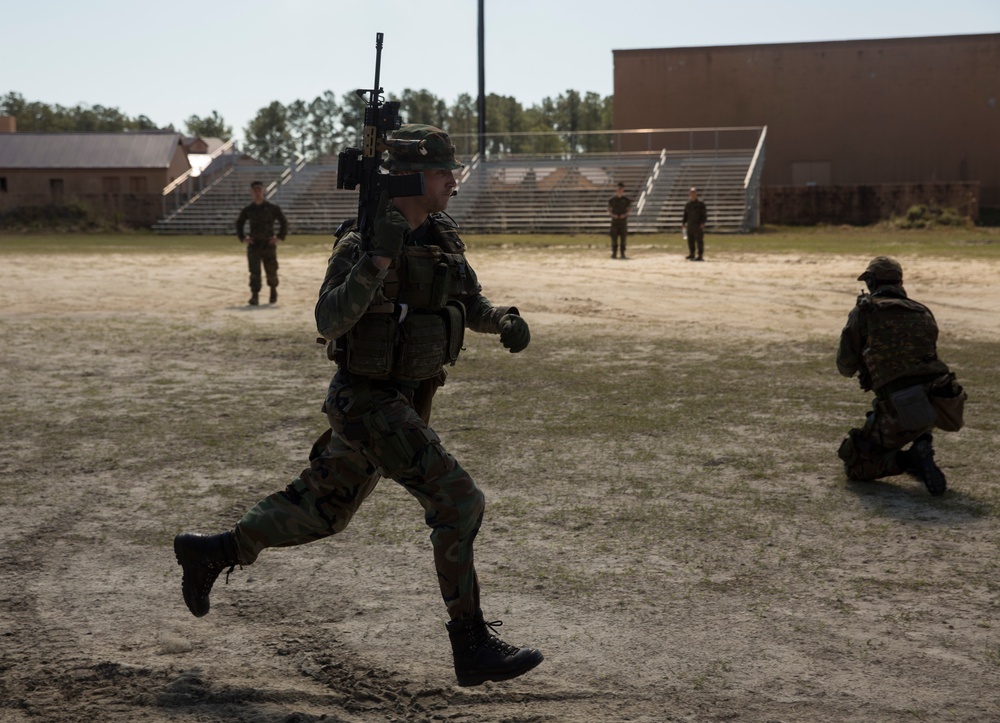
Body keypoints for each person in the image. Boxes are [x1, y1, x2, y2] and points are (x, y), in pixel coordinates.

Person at [174, 124, 544, 687]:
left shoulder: (442, 234)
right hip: (367, 402)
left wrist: (502, 321)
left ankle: (215, 551)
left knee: (323, 510)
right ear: (416, 176)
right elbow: (329, 320)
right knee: (459, 501)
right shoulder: (362, 240)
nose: (454, 178)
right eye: (444, 170)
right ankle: (470, 645)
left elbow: (467, 299)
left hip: (403, 402)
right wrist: (376, 261)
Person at [836, 256, 967, 496]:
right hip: (938, 403)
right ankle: (923, 442)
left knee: (856, 466)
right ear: (899, 282)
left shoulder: (864, 312)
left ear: (872, 282)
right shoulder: (921, 310)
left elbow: (845, 367)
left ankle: (911, 460)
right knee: (912, 400)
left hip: (900, 407)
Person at [236, 180, 288, 305]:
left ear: (263, 191)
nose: (257, 192)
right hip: (254, 244)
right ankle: (255, 295)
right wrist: (243, 238)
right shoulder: (249, 209)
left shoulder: (272, 208)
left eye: (259, 189)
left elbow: (283, 222)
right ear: (251, 192)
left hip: (268, 244)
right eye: (255, 190)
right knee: (254, 271)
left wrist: (279, 237)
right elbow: (239, 223)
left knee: (271, 270)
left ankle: (273, 291)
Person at [607, 182, 632, 259]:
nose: (619, 190)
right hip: (615, 221)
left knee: (623, 238)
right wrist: (612, 215)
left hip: (623, 221)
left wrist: (624, 215)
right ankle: (614, 253)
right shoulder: (612, 199)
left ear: (623, 190)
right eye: (618, 189)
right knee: (614, 237)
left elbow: (629, 209)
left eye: (621, 189)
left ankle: (622, 253)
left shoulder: (626, 200)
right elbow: (608, 209)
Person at [682, 187, 707, 261]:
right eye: (691, 193)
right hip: (690, 225)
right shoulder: (688, 204)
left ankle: (700, 255)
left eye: (694, 193)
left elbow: (704, 214)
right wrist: (683, 223)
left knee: (699, 240)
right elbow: (685, 214)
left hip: (698, 225)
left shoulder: (700, 204)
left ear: (696, 194)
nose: (692, 195)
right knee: (690, 240)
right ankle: (692, 254)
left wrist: (703, 222)